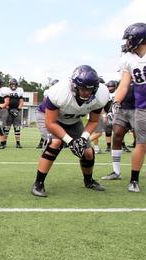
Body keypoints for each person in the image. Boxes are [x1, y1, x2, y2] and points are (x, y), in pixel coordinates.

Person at [31, 65, 108, 197]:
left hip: (73, 120)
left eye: (90, 90)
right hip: (48, 117)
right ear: (74, 85)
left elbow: (94, 121)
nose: (86, 93)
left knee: (88, 152)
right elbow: (51, 123)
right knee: (55, 143)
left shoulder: (101, 95)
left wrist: (83, 139)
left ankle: (88, 181)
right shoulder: (59, 92)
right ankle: (38, 183)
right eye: (83, 89)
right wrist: (70, 141)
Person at [114, 22, 146, 192]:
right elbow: (123, 85)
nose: (127, 43)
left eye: (129, 39)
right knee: (141, 143)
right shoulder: (128, 59)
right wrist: (115, 102)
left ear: (139, 38)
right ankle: (134, 180)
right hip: (144, 107)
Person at [102, 83, 146, 181]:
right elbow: (118, 95)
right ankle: (116, 172)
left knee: (140, 141)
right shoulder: (123, 78)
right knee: (117, 135)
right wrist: (110, 111)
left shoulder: (143, 77)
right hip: (122, 110)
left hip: (139, 110)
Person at [36, 79, 59, 149]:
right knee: (48, 133)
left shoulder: (61, 94)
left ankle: (43, 143)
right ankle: (45, 147)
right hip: (43, 113)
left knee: (52, 132)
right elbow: (47, 106)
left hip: (53, 113)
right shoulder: (48, 93)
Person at [6, 78, 24, 148]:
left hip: (17, 111)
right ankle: (4, 142)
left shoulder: (20, 90)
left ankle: (18, 143)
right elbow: (5, 101)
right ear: (9, 85)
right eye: (12, 84)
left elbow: (21, 101)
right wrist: (9, 109)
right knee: (7, 127)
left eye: (14, 84)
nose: (13, 85)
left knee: (17, 127)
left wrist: (18, 109)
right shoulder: (6, 90)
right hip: (8, 111)